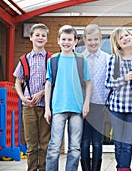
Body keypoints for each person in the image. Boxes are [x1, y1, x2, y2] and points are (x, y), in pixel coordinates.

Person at [44, 25, 92, 171]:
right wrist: (47, 108)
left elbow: (88, 83)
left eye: (70, 39)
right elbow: (48, 84)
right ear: (58, 40)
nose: (66, 42)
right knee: (54, 147)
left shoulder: (80, 60)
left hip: (77, 108)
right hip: (58, 108)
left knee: (75, 148)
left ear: (75, 41)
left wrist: (86, 104)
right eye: (63, 39)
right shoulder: (53, 60)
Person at [105, 27, 132, 171]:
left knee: (128, 142)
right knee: (119, 142)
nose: (125, 38)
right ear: (117, 44)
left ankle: (124, 168)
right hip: (117, 107)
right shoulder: (114, 59)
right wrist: (124, 79)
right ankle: (122, 168)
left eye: (127, 35)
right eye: (121, 38)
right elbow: (108, 83)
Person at [13, 23, 51, 171]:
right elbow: (17, 81)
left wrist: (41, 92)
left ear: (47, 39)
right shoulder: (24, 60)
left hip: (45, 106)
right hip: (28, 106)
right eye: (37, 35)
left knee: (44, 143)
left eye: (43, 35)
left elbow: (53, 82)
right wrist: (22, 97)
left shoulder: (50, 59)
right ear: (31, 37)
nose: (40, 38)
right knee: (31, 144)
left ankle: (42, 169)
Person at [80, 24, 110, 171]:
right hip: (82, 105)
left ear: (100, 39)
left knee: (97, 141)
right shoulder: (79, 58)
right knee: (84, 141)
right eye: (90, 39)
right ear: (84, 40)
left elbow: (111, 81)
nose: (93, 43)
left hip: (99, 104)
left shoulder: (107, 58)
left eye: (96, 39)